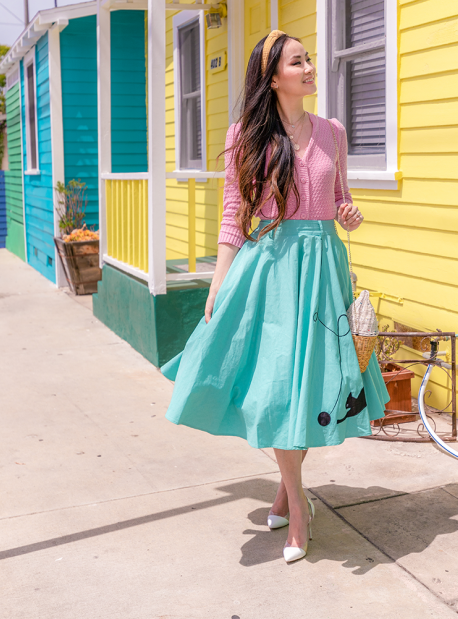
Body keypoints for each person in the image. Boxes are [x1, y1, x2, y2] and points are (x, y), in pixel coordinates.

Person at [161, 30, 389, 563]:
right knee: (279, 389)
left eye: (308, 58)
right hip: (270, 268)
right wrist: (217, 284)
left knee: (316, 386)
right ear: (272, 76)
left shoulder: (333, 132)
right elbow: (233, 216)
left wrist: (350, 216)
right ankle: (302, 509)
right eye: (297, 62)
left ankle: (288, 489)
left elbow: (341, 201)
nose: (310, 67)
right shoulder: (246, 136)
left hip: (324, 267)